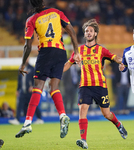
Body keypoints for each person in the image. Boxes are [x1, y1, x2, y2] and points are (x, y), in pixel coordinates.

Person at [15, 0, 81, 138]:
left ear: (32, 5)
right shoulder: (57, 12)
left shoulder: (31, 19)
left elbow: (28, 45)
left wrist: (22, 64)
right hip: (60, 52)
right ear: (43, 2)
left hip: (46, 51)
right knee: (54, 87)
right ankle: (62, 116)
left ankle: (27, 122)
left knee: (38, 86)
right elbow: (71, 31)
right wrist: (76, 52)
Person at [63, 19, 127, 149]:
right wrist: (57, 73)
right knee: (82, 110)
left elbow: (114, 57)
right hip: (84, 85)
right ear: (85, 34)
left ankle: (118, 124)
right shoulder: (79, 50)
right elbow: (69, 63)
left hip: (100, 86)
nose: (88, 33)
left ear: (95, 33)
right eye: (86, 31)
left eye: (91, 31)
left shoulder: (101, 50)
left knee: (107, 114)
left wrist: (123, 61)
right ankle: (83, 140)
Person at [9, 59, 44, 125]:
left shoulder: (32, 68)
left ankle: (40, 118)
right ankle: (17, 119)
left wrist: (33, 86)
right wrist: (17, 89)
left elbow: (35, 78)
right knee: (20, 105)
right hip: (23, 90)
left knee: (33, 104)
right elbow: (19, 81)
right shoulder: (21, 68)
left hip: (29, 91)